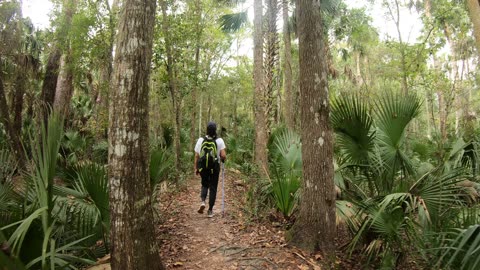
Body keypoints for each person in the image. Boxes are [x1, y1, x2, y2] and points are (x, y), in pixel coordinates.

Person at [194, 122, 226, 218]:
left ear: (207, 129)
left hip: (203, 167)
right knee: (213, 188)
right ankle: (210, 210)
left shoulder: (200, 140)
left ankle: (203, 201)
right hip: (214, 168)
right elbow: (223, 155)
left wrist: (196, 168)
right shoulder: (219, 140)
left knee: (204, 184)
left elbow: (197, 155)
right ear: (215, 130)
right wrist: (223, 159)